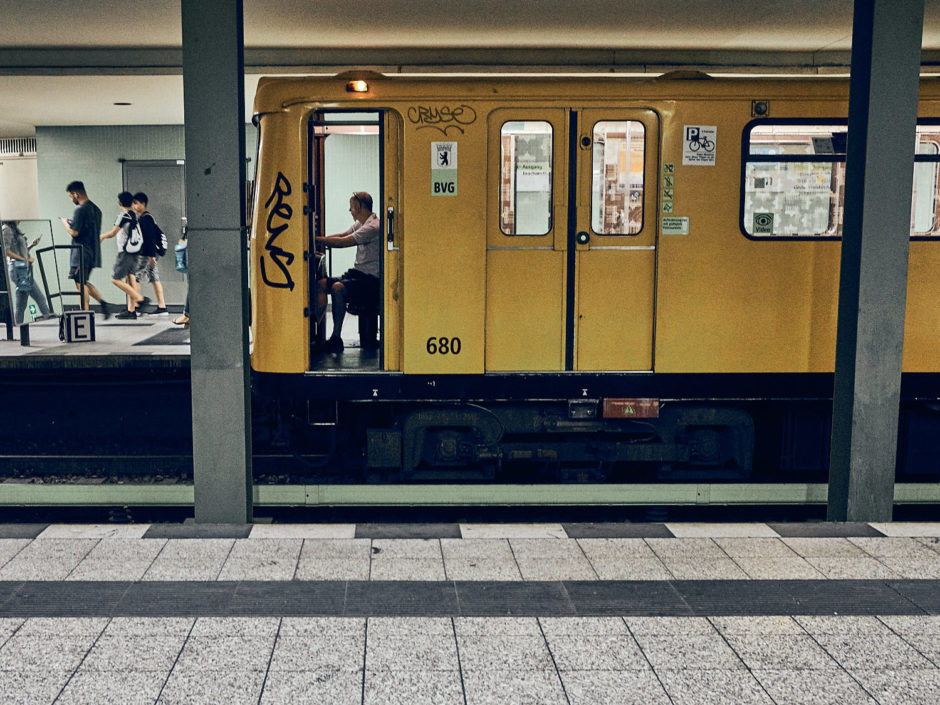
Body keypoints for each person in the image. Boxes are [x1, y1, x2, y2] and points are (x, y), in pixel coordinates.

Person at [314, 191, 380, 352]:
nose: (349, 210)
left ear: (358, 206)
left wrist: (315, 240)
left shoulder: (373, 226)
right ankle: (315, 332)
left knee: (337, 288)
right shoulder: (361, 223)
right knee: (320, 284)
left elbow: (344, 242)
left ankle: (336, 338)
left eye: (351, 207)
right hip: (358, 274)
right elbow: (342, 235)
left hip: (371, 280)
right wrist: (320, 239)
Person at [60, 181, 113, 316]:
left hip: (80, 253)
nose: (71, 199)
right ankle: (103, 303)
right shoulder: (96, 210)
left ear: (76, 194)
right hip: (92, 252)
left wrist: (66, 224)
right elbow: (88, 230)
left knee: (80, 284)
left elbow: (74, 233)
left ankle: (84, 314)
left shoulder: (80, 210)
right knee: (83, 281)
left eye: (70, 196)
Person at [99, 191, 149, 319]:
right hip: (135, 252)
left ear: (119, 202)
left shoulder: (123, 215)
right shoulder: (133, 214)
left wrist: (102, 236)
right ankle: (131, 310)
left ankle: (140, 299)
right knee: (130, 279)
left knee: (115, 279)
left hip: (125, 252)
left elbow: (113, 232)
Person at [2, 220, 51, 324]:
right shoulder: (6, 229)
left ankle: (16, 327)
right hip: (18, 270)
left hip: (22, 269)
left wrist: (31, 245)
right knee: (40, 298)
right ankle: (52, 324)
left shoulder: (13, 229)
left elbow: (19, 252)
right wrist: (24, 259)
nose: (20, 219)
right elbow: (6, 251)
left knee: (21, 305)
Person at [131, 192, 168, 315]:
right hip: (151, 252)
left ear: (143, 204)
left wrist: (151, 256)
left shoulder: (145, 219)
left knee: (135, 277)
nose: (134, 206)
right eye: (133, 204)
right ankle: (162, 307)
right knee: (154, 277)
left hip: (147, 253)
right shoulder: (146, 217)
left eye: (136, 203)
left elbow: (150, 238)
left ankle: (137, 306)